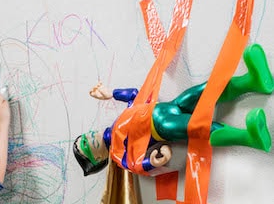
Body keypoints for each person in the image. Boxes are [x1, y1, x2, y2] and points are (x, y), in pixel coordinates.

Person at [74, 43, 273, 176]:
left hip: (169, 107)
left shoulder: (120, 121)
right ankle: (249, 138)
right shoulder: (118, 153)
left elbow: (134, 95)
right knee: (199, 126)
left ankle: (252, 81)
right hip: (162, 126)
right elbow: (135, 165)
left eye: (83, 136)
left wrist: (111, 93)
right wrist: (152, 161)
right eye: (85, 144)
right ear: (98, 158)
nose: (88, 136)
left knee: (206, 90)